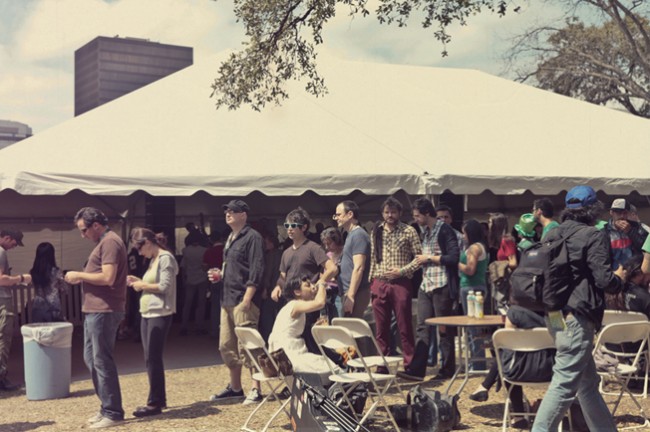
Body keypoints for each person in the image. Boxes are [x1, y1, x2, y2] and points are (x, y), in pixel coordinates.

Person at [531, 185, 626, 432]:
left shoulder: (552, 233)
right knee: (564, 384)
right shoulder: (593, 235)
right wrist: (620, 278)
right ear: (594, 209)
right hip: (576, 317)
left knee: (586, 384)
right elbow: (604, 280)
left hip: (553, 315)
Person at [64, 207, 128, 429]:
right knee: (92, 359)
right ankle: (106, 407)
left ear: (96, 225)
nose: (83, 235)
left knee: (101, 360)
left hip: (105, 309)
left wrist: (78, 275)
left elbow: (108, 277)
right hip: (96, 310)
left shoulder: (110, 242)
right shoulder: (106, 242)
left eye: (84, 230)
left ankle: (113, 412)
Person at [209, 199, 265, 406]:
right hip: (227, 298)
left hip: (243, 299)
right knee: (226, 345)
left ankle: (256, 389)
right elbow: (234, 268)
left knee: (248, 345)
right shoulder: (230, 238)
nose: (228, 214)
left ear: (243, 215)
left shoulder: (253, 237)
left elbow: (257, 268)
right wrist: (220, 275)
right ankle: (235, 388)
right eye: (227, 211)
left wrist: (248, 298)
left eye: (233, 211)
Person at [401, 198, 460, 380]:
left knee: (443, 329)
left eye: (417, 216)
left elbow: (454, 257)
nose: (416, 219)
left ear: (427, 213)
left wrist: (429, 258)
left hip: (441, 284)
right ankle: (417, 370)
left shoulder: (445, 230)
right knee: (422, 327)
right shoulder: (425, 231)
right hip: (426, 284)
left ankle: (447, 369)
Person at [469, 305, 555, 430]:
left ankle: (518, 416)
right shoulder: (556, 313)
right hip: (550, 371)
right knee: (508, 356)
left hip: (517, 372)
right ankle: (484, 386)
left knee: (507, 357)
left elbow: (507, 347)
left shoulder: (514, 313)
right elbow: (563, 341)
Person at [127, 228, 178, 418]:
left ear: (148, 243)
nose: (140, 253)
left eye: (140, 249)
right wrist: (139, 281)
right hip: (148, 312)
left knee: (153, 357)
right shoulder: (154, 259)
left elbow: (165, 286)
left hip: (160, 312)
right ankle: (158, 398)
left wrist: (141, 285)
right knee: (150, 358)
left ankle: (154, 402)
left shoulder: (165, 258)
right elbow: (154, 283)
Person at [270, 208, 337, 353]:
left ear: (304, 227)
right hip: (291, 304)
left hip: (309, 303)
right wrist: (277, 287)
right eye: (287, 225)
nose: (289, 229)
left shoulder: (313, 248)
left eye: (293, 225)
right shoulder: (286, 252)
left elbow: (332, 268)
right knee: (294, 340)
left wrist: (320, 283)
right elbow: (282, 277)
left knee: (311, 343)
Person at [369, 197, 421, 373]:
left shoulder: (409, 231)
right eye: (386, 212)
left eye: (393, 212)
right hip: (380, 282)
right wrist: (372, 281)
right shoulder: (376, 231)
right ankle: (382, 365)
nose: (389, 215)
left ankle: (410, 365)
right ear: (382, 213)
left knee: (404, 326)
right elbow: (373, 257)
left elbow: (419, 258)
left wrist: (402, 271)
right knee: (380, 329)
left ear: (400, 213)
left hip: (401, 283)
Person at [268, 276, 333, 376]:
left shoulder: (289, 306)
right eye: (308, 285)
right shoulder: (296, 305)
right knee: (328, 366)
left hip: (278, 354)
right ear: (297, 292)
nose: (313, 287)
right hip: (288, 355)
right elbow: (320, 303)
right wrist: (321, 284)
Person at [0, 228, 30, 391]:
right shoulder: (1, 252)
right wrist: (21, 278)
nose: (14, 246)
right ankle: (1, 378)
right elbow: (1, 280)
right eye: (14, 243)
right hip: (2, 301)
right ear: (7, 237)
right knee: (3, 339)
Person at [458, 219, 489, 370]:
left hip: (471, 287)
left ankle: (477, 362)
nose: (463, 236)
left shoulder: (473, 248)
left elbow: (470, 269)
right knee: (475, 326)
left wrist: (455, 262)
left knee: (473, 326)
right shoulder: (481, 246)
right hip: (477, 286)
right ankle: (477, 360)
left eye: (464, 233)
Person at [333, 200, 371, 318]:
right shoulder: (351, 235)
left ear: (350, 214)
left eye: (338, 215)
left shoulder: (358, 235)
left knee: (352, 327)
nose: (336, 218)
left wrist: (351, 295)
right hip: (349, 291)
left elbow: (359, 267)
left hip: (356, 292)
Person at [603, 198, 648, 271]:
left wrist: (630, 231)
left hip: (634, 272)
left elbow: (645, 248)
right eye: (618, 213)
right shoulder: (604, 232)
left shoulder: (636, 227)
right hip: (614, 273)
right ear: (611, 212)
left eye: (624, 213)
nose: (622, 216)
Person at [29, 242, 68, 322]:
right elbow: (64, 289)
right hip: (53, 307)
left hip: (37, 307)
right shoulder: (56, 271)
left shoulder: (33, 272)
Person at [180, 231, 209, 335]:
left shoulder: (185, 251)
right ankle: (200, 326)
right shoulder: (205, 250)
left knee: (187, 303)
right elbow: (206, 265)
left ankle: (184, 326)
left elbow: (183, 266)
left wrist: (183, 278)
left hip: (190, 278)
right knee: (201, 303)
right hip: (202, 278)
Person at [259, 231, 282, 342]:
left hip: (271, 288)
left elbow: (268, 272)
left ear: (271, 243)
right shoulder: (282, 253)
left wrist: (265, 288)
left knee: (267, 315)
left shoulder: (270, 256)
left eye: (266, 243)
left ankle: (267, 338)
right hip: (280, 287)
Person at [320, 227, 344, 320]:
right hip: (328, 291)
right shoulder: (328, 255)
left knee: (340, 317)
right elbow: (322, 273)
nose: (327, 247)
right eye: (325, 244)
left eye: (329, 244)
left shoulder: (345, 253)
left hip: (340, 291)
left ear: (336, 240)